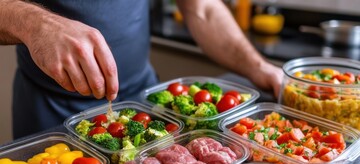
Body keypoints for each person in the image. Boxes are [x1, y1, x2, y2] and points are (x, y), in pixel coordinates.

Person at [0, 0, 283, 139]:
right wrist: (34, 23)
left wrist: (258, 68)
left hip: (143, 100)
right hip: (49, 108)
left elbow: (203, 9)